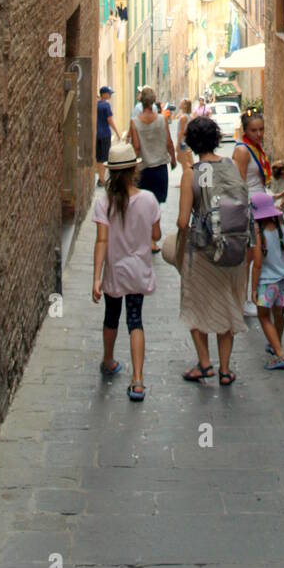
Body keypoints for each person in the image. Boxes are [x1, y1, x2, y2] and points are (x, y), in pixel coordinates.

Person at [176, 115, 250, 386]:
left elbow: (183, 222)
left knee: (195, 305)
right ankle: (226, 370)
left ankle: (205, 363)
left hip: (203, 253)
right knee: (227, 306)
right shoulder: (231, 166)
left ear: (192, 144)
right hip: (232, 249)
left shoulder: (192, 174)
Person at [91, 141, 162, 402]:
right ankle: (138, 380)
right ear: (134, 170)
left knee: (111, 317)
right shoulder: (149, 200)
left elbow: (101, 241)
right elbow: (156, 235)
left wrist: (96, 278)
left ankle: (108, 361)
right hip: (138, 271)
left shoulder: (104, 203)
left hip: (115, 272)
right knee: (135, 320)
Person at [233, 110, 274, 317]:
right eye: (254, 130)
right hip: (250, 208)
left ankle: (250, 297)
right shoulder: (242, 151)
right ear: (245, 130)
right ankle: (247, 299)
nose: (259, 134)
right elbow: (239, 184)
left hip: (262, 206)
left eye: (261, 130)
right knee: (252, 258)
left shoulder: (256, 148)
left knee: (254, 257)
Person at [129, 87, 176, 252]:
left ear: (141, 102)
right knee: (155, 204)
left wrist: (132, 169)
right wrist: (174, 160)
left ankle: (143, 238)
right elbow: (169, 142)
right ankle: (152, 241)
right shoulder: (162, 120)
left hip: (143, 169)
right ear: (154, 101)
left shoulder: (134, 122)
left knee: (142, 205)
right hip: (160, 169)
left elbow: (135, 147)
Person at [249, 192, 284, 369]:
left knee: (264, 316)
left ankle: (280, 354)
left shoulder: (259, 233)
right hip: (283, 279)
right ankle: (277, 343)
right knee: (279, 313)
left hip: (267, 281)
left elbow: (257, 264)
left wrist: (253, 288)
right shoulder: (281, 228)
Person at [95, 86, 120, 185]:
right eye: (109, 93)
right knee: (105, 157)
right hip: (105, 134)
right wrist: (117, 133)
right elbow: (110, 120)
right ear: (104, 94)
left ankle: (101, 178)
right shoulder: (106, 105)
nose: (110, 95)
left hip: (97, 134)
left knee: (99, 157)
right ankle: (102, 179)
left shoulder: (96, 104)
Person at [176, 98, 192, 164]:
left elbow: (181, 131)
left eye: (181, 102)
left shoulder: (184, 117)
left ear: (185, 105)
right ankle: (191, 172)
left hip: (183, 142)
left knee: (185, 162)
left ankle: (190, 173)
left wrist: (178, 143)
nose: (179, 103)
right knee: (187, 161)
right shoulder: (187, 116)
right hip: (186, 142)